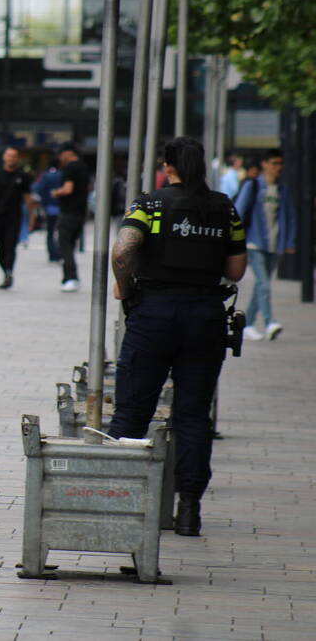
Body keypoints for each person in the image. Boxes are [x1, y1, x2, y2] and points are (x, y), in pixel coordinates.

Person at [108, 136, 247, 537]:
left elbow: (122, 251)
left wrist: (125, 287)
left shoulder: (149, 204)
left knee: (132, 411)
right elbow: (236, 271)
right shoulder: (224, 208)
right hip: (204, 317)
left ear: (167, 166)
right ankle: (188, 509)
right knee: (192, 416)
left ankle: (118, 500)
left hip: (153, 315)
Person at [234, 148, 296, 341]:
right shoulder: (253, 186)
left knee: (261, 286)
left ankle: (248, 324)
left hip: (275, 244)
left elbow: (290, 217)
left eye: (280, 163)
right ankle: (270, 322)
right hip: (255, 243)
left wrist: (289, 241)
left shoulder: (282, 190)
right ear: (265, 164)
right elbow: (238, 212)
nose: (278, 167)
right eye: (274, 163)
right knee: (263, 284)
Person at [0, 147, 36, 289]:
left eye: (14, 156)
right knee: (1, 249)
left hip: (15, 216)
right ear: (4, 157)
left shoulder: (22, 176)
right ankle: (6, 270)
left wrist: (31, 217)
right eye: (9, 155)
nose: (11, 158)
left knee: (11, 246)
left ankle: (9, 272)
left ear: (17, 159)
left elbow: (28, 198)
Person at [51, 142, 90, 292]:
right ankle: (71, 278)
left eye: (61, 154)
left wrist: (56, 193)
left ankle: (71, 278)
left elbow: (68, 189)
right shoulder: (83, 167)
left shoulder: (70, 168)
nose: (60, 158)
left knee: (64, 245)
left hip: (69, 212)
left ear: (68, 153)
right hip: (80, 212)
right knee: (71, 244)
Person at [33, 158, 62, 263]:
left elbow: (39, 189)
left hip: (50, 207)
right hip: (61, 206)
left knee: (50, 231)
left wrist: (44, 202)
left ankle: (52, 254)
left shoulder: (45, 176)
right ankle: (59, 253)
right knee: (60, 231)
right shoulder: (62, 175)